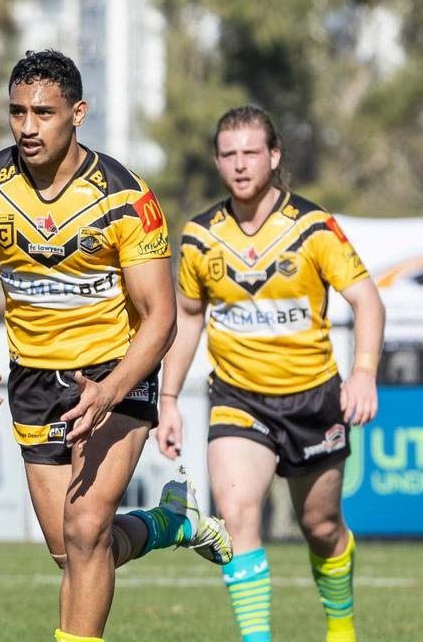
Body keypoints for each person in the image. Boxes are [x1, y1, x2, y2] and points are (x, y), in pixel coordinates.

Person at [0, 50, 233, 642]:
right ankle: (171, 524)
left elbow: (160, 317)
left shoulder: (125, 199)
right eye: (17, 112)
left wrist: (112, 390)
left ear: (78, 113)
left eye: (44, 112)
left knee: (87, 526)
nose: (28, 127)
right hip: (36, 380)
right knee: (73, 552)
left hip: (117, 371)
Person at [156, 105, 385, 642]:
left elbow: (368, 302)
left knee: (322, 528)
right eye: (228, 154)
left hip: (313, 401)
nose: (240, 165)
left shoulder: (313, 228)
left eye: (251, 152)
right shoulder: (198, 237)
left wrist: (364, 373)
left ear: (274, 156)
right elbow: (188, 319)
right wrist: (168, 399)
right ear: (216, 161)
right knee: (237, 513)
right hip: (239, 401)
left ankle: (342, 627)